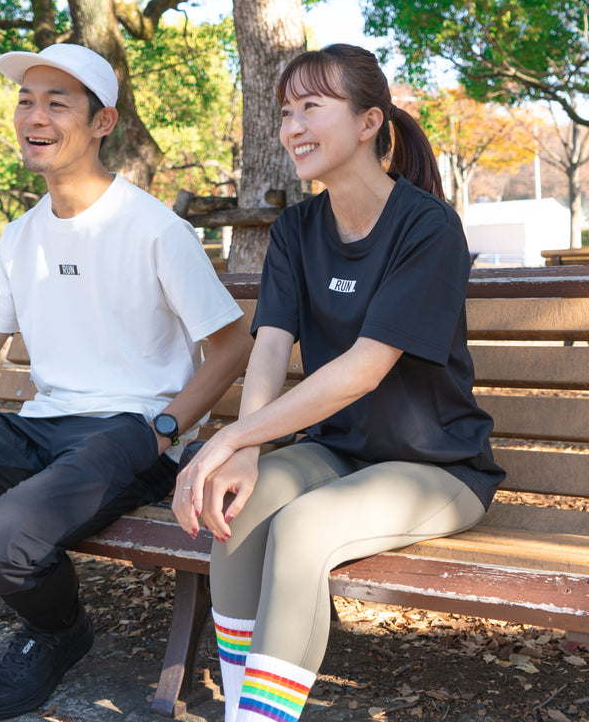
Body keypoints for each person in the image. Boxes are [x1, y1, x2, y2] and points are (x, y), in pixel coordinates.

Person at [0, 42, 253, 722]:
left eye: (56, 102)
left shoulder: (155, 229)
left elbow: (231, 345)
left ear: (102, 123)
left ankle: (59, 628)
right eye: (25, 100)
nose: (34, 116)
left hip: (130, 435)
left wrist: (165, 428)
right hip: (42, 426)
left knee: (5, 535)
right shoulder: (20, 235)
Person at [172, 43, 505, 722]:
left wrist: (228, 436)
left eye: (311, 107)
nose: (292, 126)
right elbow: (269, 349)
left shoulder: (426, 226)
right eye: (286, 111)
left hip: (437, 469)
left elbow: (363, 368)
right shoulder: (296, 229)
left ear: (368, 122)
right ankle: (247, 712)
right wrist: (243, 452)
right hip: (341, 452)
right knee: (238, 505)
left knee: (304, 527)